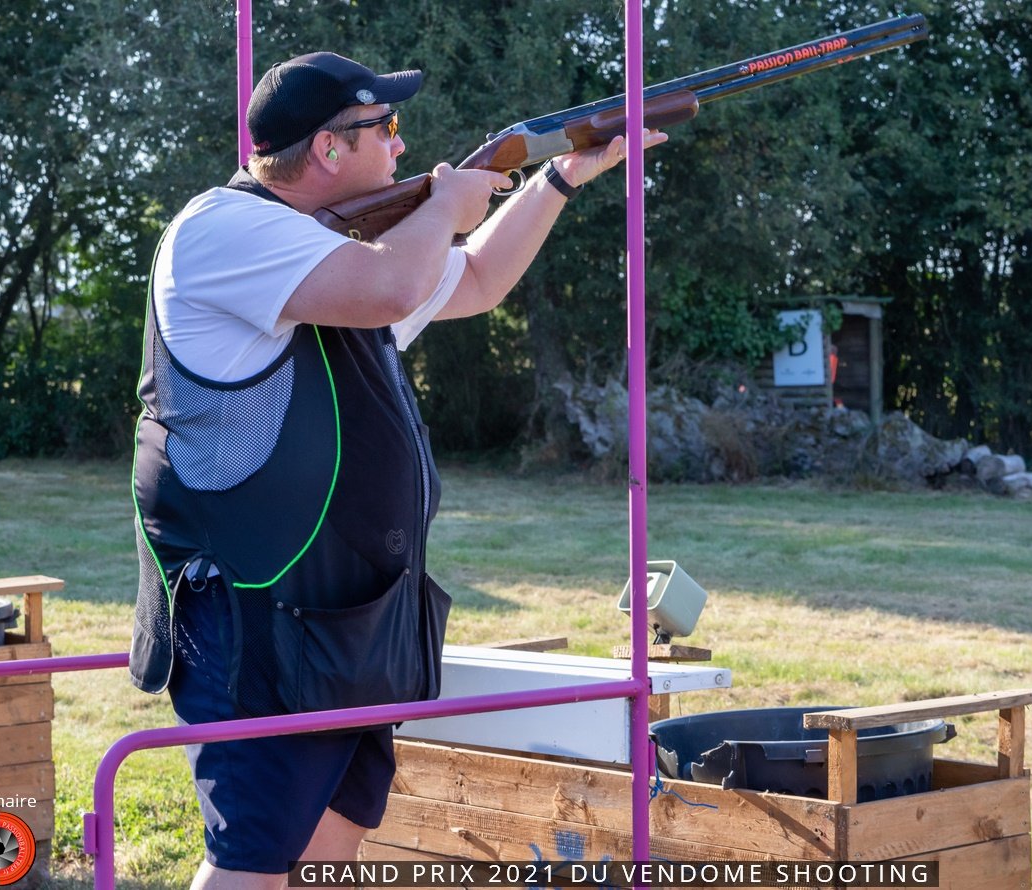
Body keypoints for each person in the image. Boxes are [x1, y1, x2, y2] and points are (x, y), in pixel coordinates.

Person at [129, 51, 665, 889]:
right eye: (385, 127)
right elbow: (390, 286)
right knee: (250, 860)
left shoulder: (331, 251)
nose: (401, 143)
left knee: (327, 847)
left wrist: (557, 178)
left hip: (349, 615)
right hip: (258, 614)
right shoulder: (221, 228)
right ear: (329, 148)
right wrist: (444, 205)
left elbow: (477, 278)